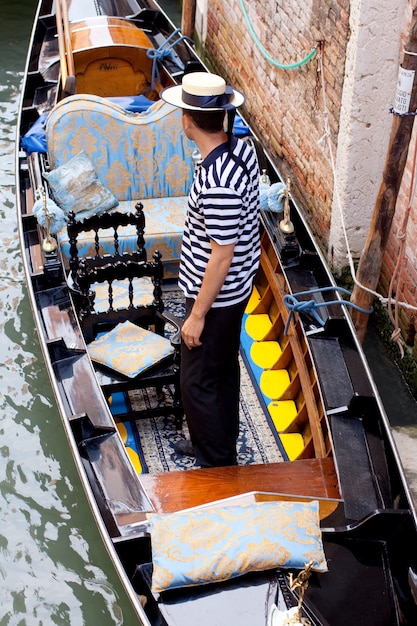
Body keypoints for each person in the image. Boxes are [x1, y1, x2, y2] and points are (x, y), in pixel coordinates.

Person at [161, 72, 260, 467]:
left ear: (186, 119)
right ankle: (215, 444)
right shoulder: (241, 149)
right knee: (221, 371)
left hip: (216, 296)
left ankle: (216, 465)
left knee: (196, 382)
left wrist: (197, 316)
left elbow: (222, 254)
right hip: (236, 289)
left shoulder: (218, 180)